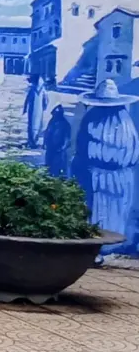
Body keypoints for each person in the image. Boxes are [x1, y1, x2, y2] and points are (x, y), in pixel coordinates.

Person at [73, 80, 139, 240]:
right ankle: (106, 244)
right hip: (119, 177)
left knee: (101, 212)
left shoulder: (94, 118)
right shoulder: (125, 120)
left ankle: (101, 245)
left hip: (100, 176)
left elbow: (83, 148)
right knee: (110, 212)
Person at [45, 105, 73, 178]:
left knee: (59, 168)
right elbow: (48, 132)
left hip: (59, 150)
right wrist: (45, 143)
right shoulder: (52, 121)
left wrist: (63, 147)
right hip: (50, 149)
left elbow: (67, 137)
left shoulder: (65, 124)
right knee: (49, 167)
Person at [24, 75, 49, 148]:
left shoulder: (33, 89)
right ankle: (34, 140)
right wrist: (44, 107)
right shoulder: (43, 90)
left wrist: (25, 109)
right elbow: (46, 101)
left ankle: (32, 141)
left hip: (33, 109)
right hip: (39, 110)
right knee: (37, 124)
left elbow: (27, 100)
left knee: (32, 124)